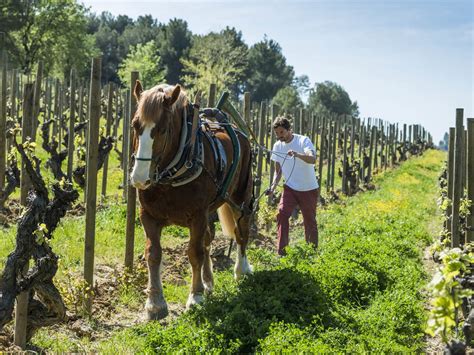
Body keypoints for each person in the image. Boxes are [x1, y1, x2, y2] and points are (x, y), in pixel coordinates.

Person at [266, 117, 319, 256]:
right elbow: (278, 172)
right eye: (277, 133)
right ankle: (282, 252)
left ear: (290, 130)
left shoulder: (303, 141)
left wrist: (297, 154)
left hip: (308, 188)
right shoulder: (277, 146)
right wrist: (272, 187)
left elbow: (312, 159)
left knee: (309, 221)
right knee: (282, 214)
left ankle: (311, 252)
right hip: (290, 188)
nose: (279, 136)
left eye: (281, 132)